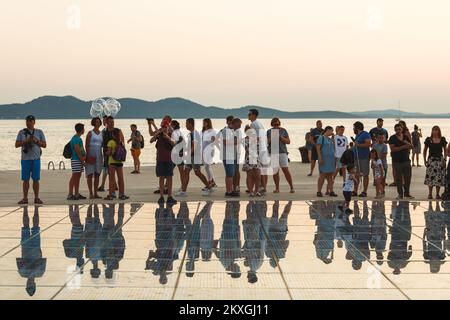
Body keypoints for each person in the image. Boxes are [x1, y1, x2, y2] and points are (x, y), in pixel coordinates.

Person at [15, 115, 47, 205]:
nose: (28, 123)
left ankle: (36, 198)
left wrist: (36, 141)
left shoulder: (39, 132)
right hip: (25, 159)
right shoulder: (21, 132)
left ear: (34, 122)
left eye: (30, 121)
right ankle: (25, 198)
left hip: (36, 159)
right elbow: (16, 144)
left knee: (36, 180)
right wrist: (26, 141)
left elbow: (44, 145)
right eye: (27, 121)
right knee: (25, 180)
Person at [176, 118, 210, 197]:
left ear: (190, 124)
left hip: (195, 156)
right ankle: (183, 191)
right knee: (186, 172)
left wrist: (188, 154)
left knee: (197, 173)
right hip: (190, 156)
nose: (186, 125)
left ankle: (208, 187)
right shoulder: (191, 134)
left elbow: (194, 146)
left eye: (186, 123)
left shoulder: (194, 134)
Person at [150, 119, 177, 205]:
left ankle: (169, 196)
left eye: (165, 127)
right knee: (161, 178)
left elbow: (174, 143)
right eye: (162, 127)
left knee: (169, 178)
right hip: (160, 159)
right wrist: (157, 134)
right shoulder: (159, 135)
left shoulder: (171, 134)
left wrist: (168, 137)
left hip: (169, 159)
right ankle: (161, 196)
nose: (164, 128)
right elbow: (151, 140)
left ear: (168, 127)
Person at [266, 117, 294, 193]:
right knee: (275, 171)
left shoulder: (283, 130)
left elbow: (288, 142)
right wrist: (272, 137)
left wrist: (281, 137)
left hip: (282, 152)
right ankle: (277, 188)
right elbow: (266, 142)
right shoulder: (269, 131)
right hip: (273, 153)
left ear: (279, 124)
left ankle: (291, 187)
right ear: (272, 124)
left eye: (277, 124)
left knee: (285, 170)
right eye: (274, 124)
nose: (276, 126)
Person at [216, 116, 240, 197]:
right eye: (238, 125)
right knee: (229, 174)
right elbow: (225, 142)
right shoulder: (226, 131)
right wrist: (237, 141)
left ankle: (231, 189)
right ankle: (229, 191)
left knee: (231, 174)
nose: (238, 127)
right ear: (234, 123)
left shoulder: (231, 131)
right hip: (228, 156)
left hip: (231, 155)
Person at [388, 123, 413, 199]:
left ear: (402, 129)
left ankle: (407, 193)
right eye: (397, 129)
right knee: (398, 179)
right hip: (397, 161)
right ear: (395, 130)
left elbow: (411, 146)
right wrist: (404, 146)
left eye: (399, 129)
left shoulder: (405, 137)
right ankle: (400, 194)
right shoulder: (392, 138)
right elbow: (393, 149)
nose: (398, 131)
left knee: (408, 178)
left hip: (406, 160)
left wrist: (407, 143)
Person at [99, 116, 123, 193]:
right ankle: (112, 192)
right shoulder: (104, 132)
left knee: (120, 177)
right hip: (108, 156)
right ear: (107, 122)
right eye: (110, 122)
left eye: (112, 122)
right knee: (111, 176)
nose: (111, 123)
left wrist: (120, 151)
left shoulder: (118, 131)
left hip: (117, 157)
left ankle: (121, 193)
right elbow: (102, 144)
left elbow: (122, 142)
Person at [104, 128, 129, 200]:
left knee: (111, 179)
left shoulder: (111, 142)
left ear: (113, 135)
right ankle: (122, 194)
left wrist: (106, 153)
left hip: (112, 162)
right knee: (121, 179)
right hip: (119, 162)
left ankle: (111, 194)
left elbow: (109, 153)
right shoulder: (121, 142)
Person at [423, 126, 447, 199]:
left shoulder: (442, 139)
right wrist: (424, 160)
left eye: (436, 130)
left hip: (440, 161)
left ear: (439, 131)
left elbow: (445, 150)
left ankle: (437, 194)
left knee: (439, 178)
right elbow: (424, 151)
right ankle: (430, 194)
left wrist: (445, 159)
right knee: (430, 178)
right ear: (432, 131)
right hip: (431, 161)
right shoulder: (428, 139)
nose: (435, 131)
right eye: (434, 130)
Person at [85, 117, 103, 199]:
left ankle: (96, 193)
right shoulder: (90, 133)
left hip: (99, 154)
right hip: (91, 154)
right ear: (93, 123)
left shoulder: (101, 133)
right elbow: (86, 145)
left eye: (99, 122)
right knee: (90, 174)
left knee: (97, 174)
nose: (98, 123)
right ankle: (90, 193)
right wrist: (88, 156)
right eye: (96, 122)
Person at [352, 121, 372, 197]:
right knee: (356, 174)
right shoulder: (357, 135)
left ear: (357, 128)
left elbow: (368, 144)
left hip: (364, 157)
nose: (353, 129)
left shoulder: (365, 134)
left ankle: (364, 191)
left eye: (354, 128)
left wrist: (359, 145)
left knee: (365, 174)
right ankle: (355, 190)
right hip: (356, 157)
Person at [316, 126, 337, 197]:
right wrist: (320, 157)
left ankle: (331, 191)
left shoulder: (330, 139)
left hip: (331, 159)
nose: (332, 132)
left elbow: (334, 147)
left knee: (330, 176)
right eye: (331, 131)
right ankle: (319, 191)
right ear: (327, 130)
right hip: (324, 159)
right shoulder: (321, 138)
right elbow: (318, 148)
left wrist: (333, 138)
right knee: (322, 175)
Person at [68, 123, 86, 200]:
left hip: (78, 160)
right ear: (81, 130)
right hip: (76, 160)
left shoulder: (78, 138)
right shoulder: (75, 139)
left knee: (77, 177)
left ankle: (76, 193)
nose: (84, 130)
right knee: (74, 177)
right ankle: (70, 194)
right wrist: (83, 161)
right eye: (83, 129)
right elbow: (78, 152)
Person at [243, 125, 261, 196]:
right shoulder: (245, 140)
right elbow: (247, 149)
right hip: (248, 159)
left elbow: (260, 149)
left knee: (258, 176)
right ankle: (250, 191)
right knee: (249, 176)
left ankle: (256, 191)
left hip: (256, 159)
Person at [201, 118, 218, 188]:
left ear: (208, 123)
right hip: (204, 150)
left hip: (209, 150)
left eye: (205, 123)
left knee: (207, 166)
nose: (204, 124)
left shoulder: (213, 131)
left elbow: (214, 141)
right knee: (207, 167)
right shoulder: (204, 131)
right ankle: (212, 182)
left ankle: (210, 182)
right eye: (203, 123)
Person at [170, 120, 186, 188]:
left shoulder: (174, 133)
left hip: (175, 154)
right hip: (181, 153)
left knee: (168, 171)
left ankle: (166, 186)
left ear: (173, 125)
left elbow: (174, 143)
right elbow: (184, 143)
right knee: (181, 172)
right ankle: (183, 186)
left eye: (170, 125)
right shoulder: (180, 132)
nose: (169, 126)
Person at [98, 115, 109, 192]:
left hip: (108, 153)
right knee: (107, 169)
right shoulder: (103, 131)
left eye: (105, 120)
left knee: (106, 169)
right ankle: (114, 185)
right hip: (105, 152)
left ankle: (102, 185)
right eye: (103, 120)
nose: (103, 121)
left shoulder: (106, 131)